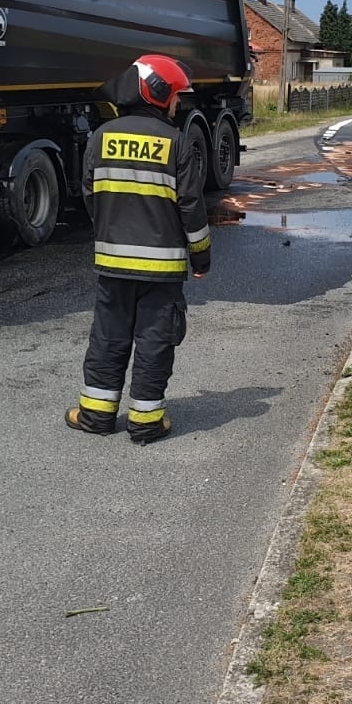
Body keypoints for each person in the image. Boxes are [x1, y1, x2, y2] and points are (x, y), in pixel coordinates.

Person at [66, 55, 209, 444]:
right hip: (161, 271)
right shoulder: (176, 142)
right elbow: (191, 208)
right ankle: (145, 422)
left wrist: (109, 232)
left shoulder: (101, 137)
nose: (179, 103)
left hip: (112, 264)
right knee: (154, 340)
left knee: (108, 338)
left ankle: (95, 415)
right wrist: (201, 258)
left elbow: (90, 196)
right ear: (158, 92)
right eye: (177, 96)